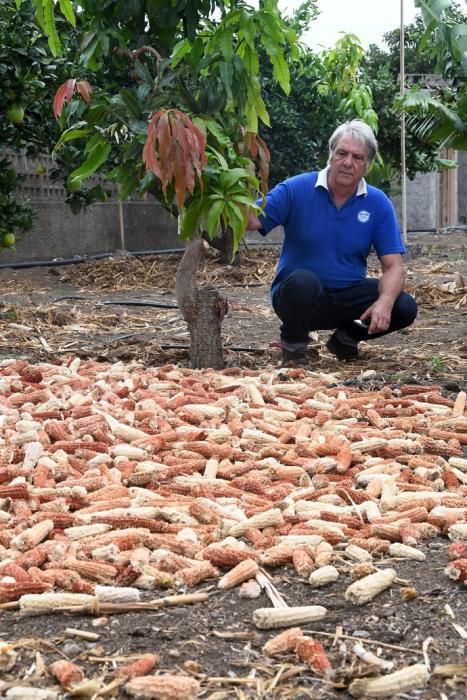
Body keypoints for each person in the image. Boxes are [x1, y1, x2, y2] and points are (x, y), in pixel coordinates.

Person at [246, 119, 418, 365]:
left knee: (403, 305)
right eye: (342, 153)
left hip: (348, 300)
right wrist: (224, 188)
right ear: (331, 154)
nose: (348, 162)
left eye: (358, 157)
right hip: (298, 299)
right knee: (304, 281)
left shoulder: (377, 203)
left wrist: (385, 302)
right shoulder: (297, 188)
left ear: (367, 165)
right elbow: (252, 220)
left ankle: (346, 339)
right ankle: (294, 348)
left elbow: (394, 267)